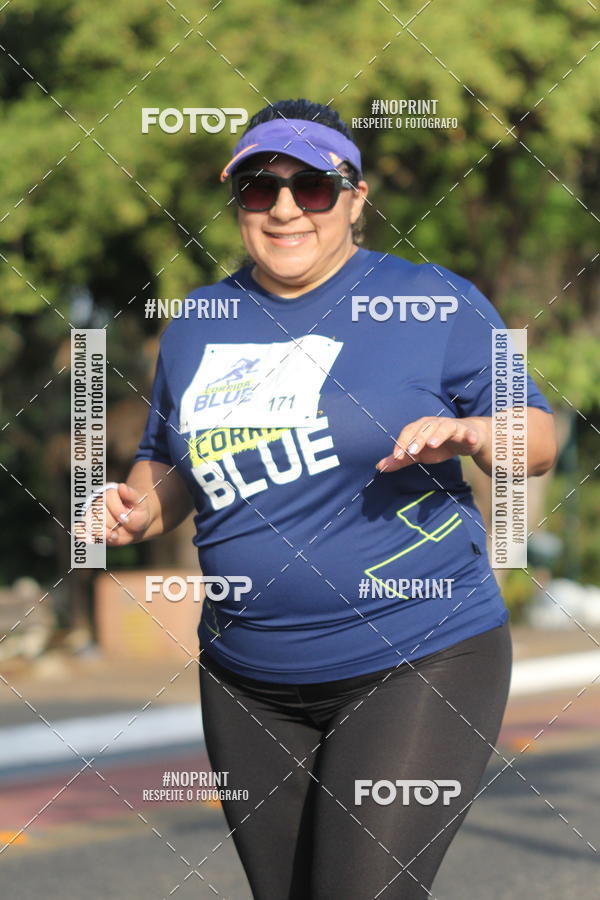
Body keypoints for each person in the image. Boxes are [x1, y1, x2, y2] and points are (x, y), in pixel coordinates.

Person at [103, 99, 557, 898]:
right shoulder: (199, 322)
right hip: (248, 679)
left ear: (355, 198)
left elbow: (542, 441)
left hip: (419, 653)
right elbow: (168, 465)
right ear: (236, 199)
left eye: (313, 187)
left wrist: (482, 436)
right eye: (258, 187)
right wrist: (139, 509)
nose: (284, 208)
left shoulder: (432, 302)